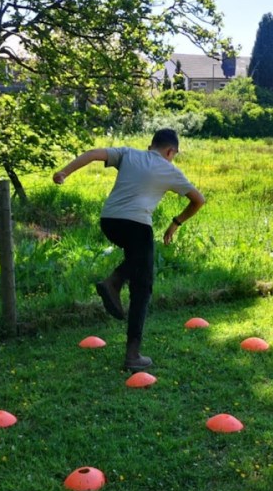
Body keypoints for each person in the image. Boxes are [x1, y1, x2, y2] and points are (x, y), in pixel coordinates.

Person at [53, 128, 205, 371]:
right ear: (170, 151)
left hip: (110, 222)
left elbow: (93, 154)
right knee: (142, 288)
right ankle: (116, 290)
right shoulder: (170, 169)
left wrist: (64, 172)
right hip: (137, 225)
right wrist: (175, 223)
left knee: (139, 270)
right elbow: (199, 200)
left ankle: (117, 286)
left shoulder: (128, 154)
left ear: (150, 146)